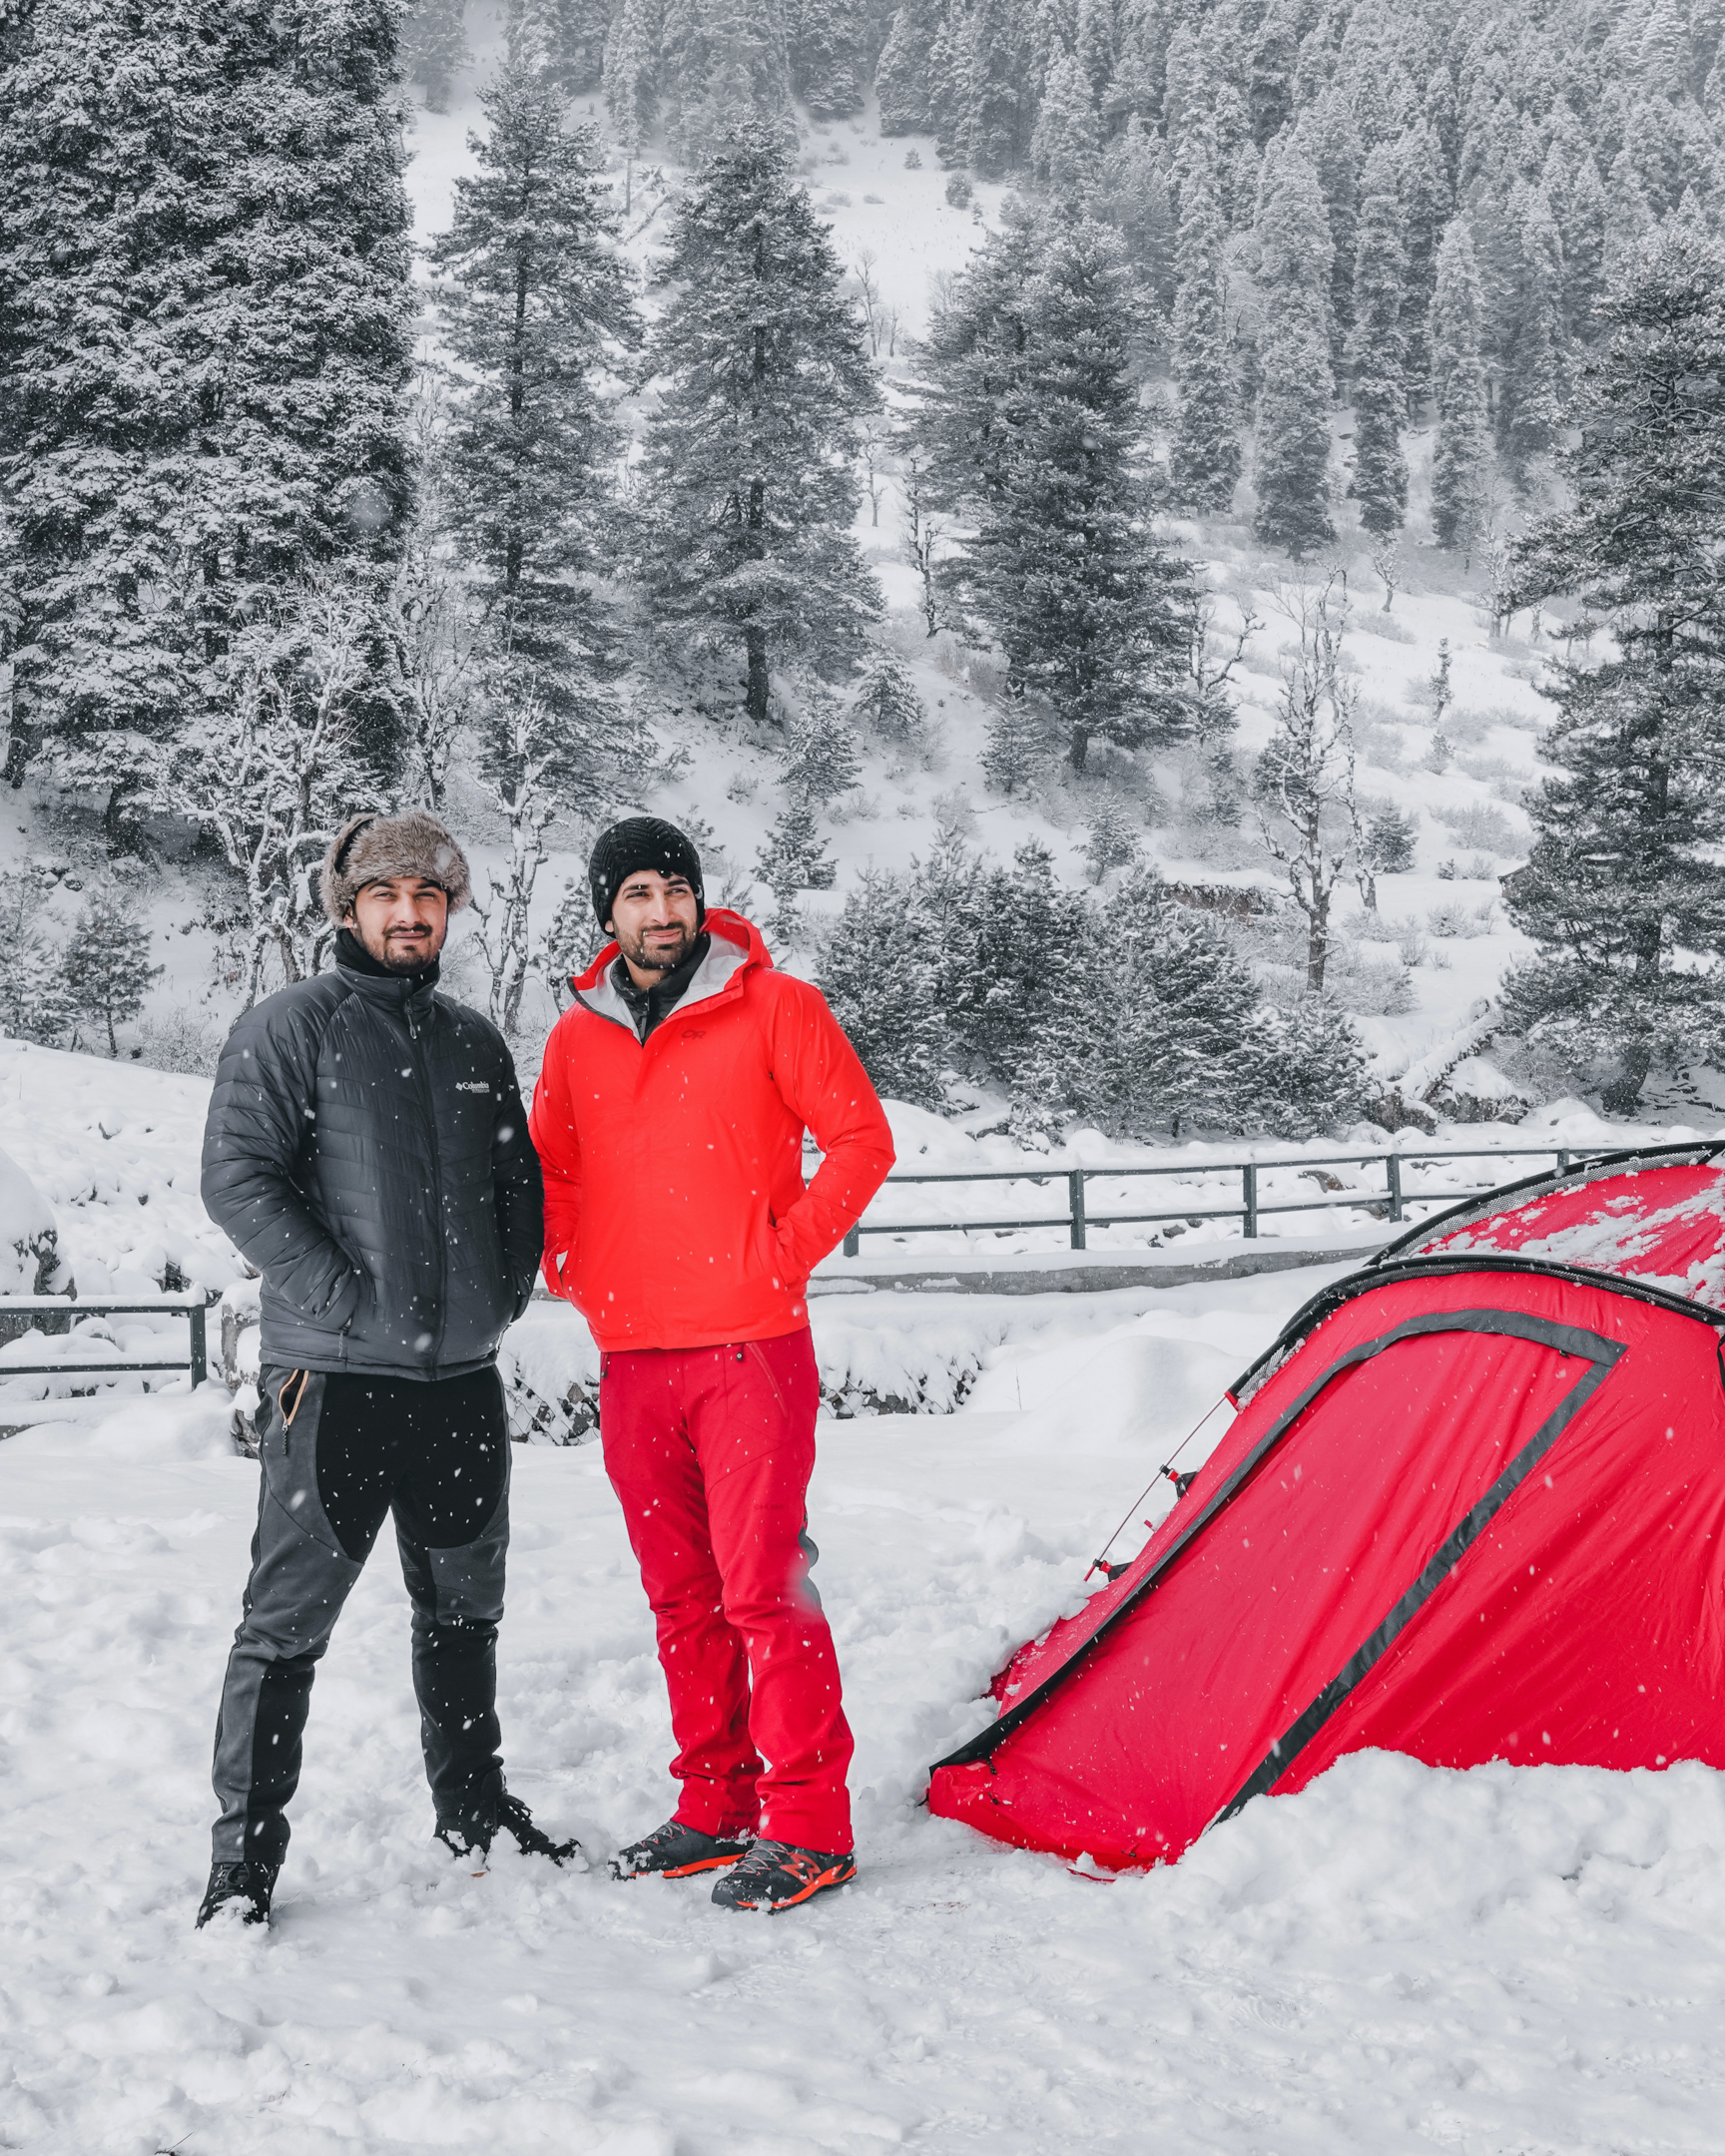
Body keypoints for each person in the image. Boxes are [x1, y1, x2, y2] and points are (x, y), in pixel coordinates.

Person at [196, 809, 567, 1927]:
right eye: (386, 896)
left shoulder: (471, 1042)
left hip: (459, 1385)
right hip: (335, 1386)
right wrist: (343, 1300)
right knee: (286, 1625)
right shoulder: (289, 1027)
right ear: (347, 909)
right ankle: (243, 1865)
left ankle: (473, 1807)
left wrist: (499, 1300)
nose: (409, 914)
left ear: (449, 909)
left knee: (463, 1610)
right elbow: (239, 1181)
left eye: (429, 896)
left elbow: (518, 1192)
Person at [530, 816, 894, 1912]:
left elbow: (863, 1140)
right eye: (636, 892)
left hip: (750, 1348)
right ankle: (715, 1803)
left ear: (699, 900)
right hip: (633, 1355)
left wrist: (777, 1253)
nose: (659, 910)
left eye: (674, 888)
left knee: (763, 1592)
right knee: (682, 1599)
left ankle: (811, 1828)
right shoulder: (575, 1035)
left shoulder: (778, 1006)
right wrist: (570, 1265)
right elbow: (557, 1168)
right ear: (609, 912)